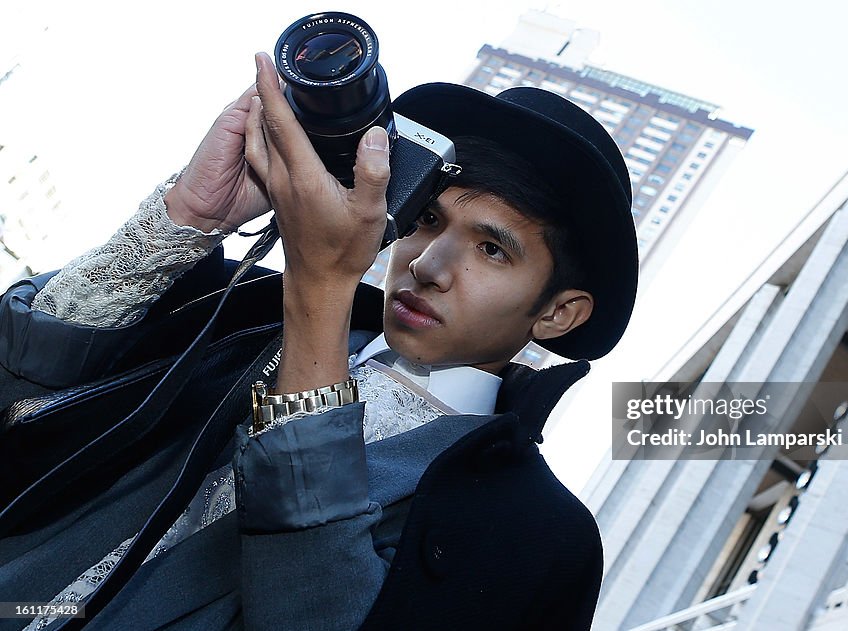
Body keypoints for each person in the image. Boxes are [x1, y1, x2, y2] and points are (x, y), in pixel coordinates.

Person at [0, 51, 637, 630]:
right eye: (425, 220)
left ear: (558, 314)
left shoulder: (538, 534)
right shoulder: (237, 311)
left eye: (492, 249)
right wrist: (191, 217)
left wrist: (321, 289)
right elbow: (21, 387)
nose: (428, 265)